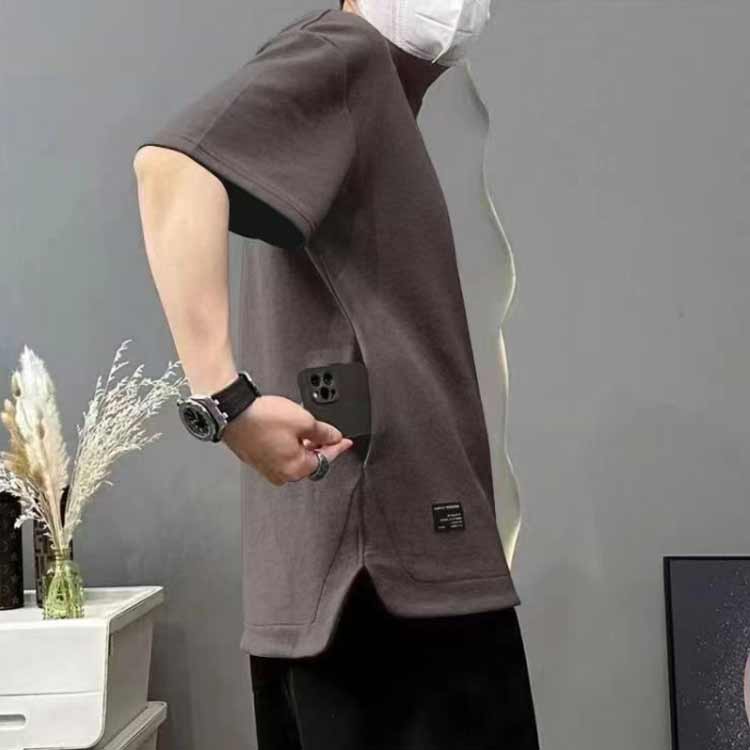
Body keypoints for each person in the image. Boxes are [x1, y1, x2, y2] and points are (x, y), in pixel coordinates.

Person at [133, 0, 541, 747]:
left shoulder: (373, 94)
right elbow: (170, 170)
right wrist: (226, 403)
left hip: (362, 579)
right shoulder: (344, 52)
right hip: (385, 584)